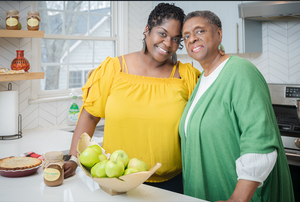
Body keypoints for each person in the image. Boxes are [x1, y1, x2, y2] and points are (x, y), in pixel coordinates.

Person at [63, 3, 200, 194]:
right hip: (115, 182)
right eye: (162, 33)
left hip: (172, 185)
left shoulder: (186, 75)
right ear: (147, 30)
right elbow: (90, 116)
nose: (168, 44)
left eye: (176, 38)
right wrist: (73, 159)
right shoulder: (113, 69)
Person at [179, 10, 294, 202]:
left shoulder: (241, 71)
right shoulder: (202, 80)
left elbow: (259, 141)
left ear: (219, 33)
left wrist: (237, 199)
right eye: (187, 36)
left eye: (200, 31)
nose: (192, 39)